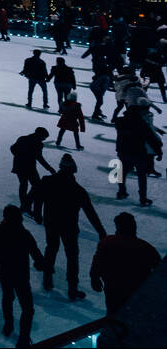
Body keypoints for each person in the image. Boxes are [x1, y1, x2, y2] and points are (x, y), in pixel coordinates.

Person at [32, 153, 107, 300]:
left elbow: (37, 196)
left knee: (51, 249)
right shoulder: (77, 189)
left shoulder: (48, 181)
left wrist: (37, 213)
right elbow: (90, 213)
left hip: (51, 222)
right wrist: (101, 231)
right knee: (72, 257)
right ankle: (72, 289)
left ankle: (47, 281)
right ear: (73, 170)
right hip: (69, 226)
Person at [0, 205, 47, 347]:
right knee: (27, 307)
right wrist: (40, 263)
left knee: (8, 296)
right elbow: (35, 252)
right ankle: (24, 337)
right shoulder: (24, 234)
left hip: (4, 272)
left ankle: (8, 325)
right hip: (20, 274)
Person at [90, 212, 161, 315]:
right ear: (133, 227)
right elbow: (159, 270)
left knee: (113, 314)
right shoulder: (145, 247)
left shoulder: (107, 242)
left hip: (113, 288)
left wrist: (94, 278)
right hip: (137, 290)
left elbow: (97, 261)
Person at [10, 127, 55, 214]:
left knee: (23, 185)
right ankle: (26, 205)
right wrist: (50, 169)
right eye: (44, 138)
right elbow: (39, 158)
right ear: (40, 135)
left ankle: (24, 205)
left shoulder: (22, 138)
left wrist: (18, 156)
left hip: (19, 165)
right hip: (29, 167)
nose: (44, 139)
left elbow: (12, 148)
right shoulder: (38, 144)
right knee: (37, 185)